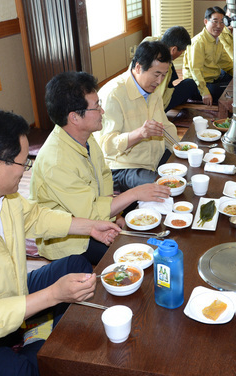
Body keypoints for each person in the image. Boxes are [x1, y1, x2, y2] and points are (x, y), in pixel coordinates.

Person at [0, 109, 121, 375]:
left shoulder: (4, 197)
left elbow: (36, 216)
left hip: (13, 292)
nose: (26, 170)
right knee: (31, 369)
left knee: (76, 265)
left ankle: (33, 330)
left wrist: (91, 226)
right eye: (24, 163)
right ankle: (35, 339)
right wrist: (52, 296)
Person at [30, 72, 170, 264]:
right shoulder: (56, 161)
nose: (102, 111)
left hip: (94, 217)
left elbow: (104, 176)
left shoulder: (85, 136)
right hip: (71, 240)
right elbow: (89, 216)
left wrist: (117, 215)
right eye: (96, 106)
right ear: (75, 118)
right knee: (140, 255)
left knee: (149, 233)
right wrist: (134, 194)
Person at [96, 40, 179, 192]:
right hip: (122, 167)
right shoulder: (113, 95)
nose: (159, 81)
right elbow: (106, 146)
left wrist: (182, 150)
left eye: (164, 75)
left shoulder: (151, 89)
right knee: (162, 188)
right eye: (156, 74)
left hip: (152, 161)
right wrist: (139, 134)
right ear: (139, 67)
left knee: (184, 172)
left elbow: (165, 126)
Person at [183, 6, 234, 106]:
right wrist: (204, 92)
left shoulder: (217, 41)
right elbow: (195, 70)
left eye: (222, 22)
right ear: (206, 21)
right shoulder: (198, 42)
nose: (219, 26)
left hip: (213, 80)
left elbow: (227, 64)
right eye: (215, 21)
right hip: (197, 85)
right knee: (232, 90)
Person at [142, 26, 199, 112]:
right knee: (191, 83)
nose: (181, 54)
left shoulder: (149, 41)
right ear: (174, 49)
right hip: (154, 107)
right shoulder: (163, 65)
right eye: (181, 52)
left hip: (140, 98)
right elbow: (158, 96)